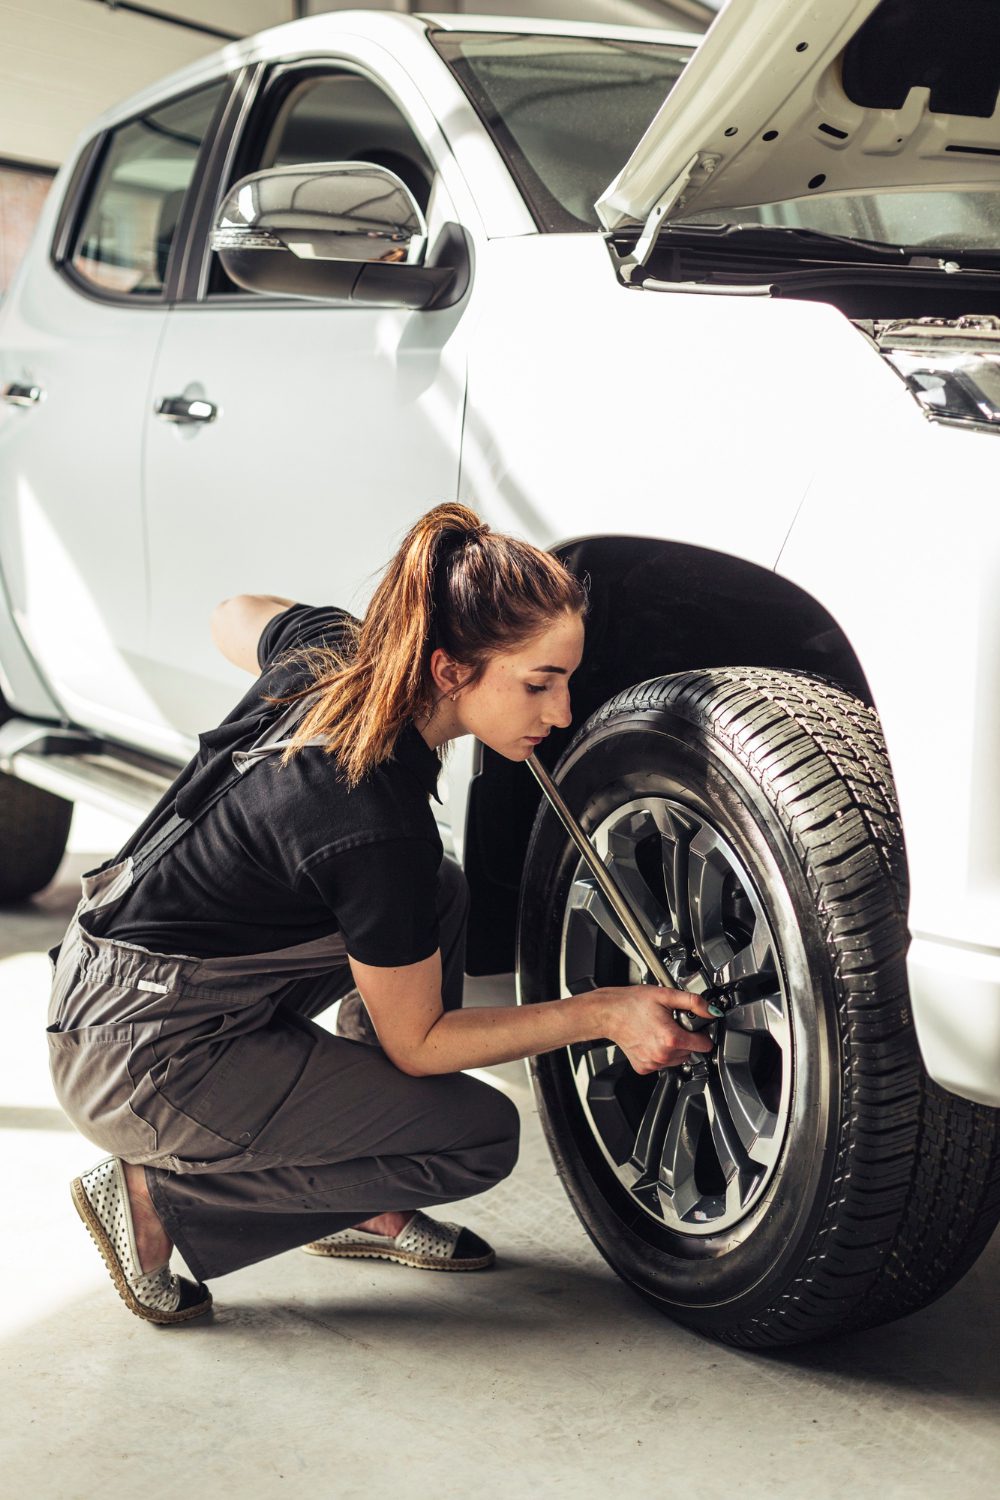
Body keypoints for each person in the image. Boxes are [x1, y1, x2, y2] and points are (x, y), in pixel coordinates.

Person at [46, 503, 715, 1325]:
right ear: (447, 671)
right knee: (476, 1137)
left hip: (117, 977)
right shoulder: (367, 821)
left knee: (441, 892)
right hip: (142, 1057)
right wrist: (605, 1012)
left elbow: (233, 615)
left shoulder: (332, 652)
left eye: (566, 680)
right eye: (539, 683)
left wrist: (332, 652)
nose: (562, 712)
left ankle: (370, 1201)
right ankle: (158, 1199)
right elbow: (421, 1043)